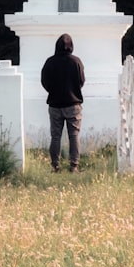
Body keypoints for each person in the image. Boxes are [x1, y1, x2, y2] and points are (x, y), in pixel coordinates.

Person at [40, 33, 85, 172]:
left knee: (55, 136)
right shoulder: (76, 61)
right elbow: (81, 80)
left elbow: (44, 81)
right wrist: (74, 90)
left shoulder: (50, 62)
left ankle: (55, 165)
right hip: (73, 104)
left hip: (55, 104)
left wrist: (53, 91)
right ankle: (74, 165)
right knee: (74, 136)